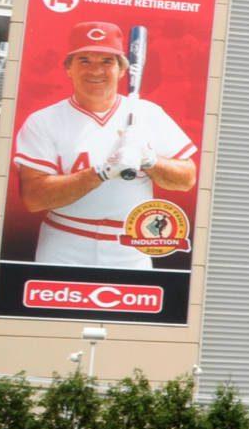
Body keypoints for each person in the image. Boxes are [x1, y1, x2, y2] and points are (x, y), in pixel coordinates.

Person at [11, 21, 198, 268]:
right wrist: (101, 172)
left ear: (122, 70)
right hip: (65, 242)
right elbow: (34, 198)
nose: (95, 70)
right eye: (84, 60)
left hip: (131, 247)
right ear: (69, 68)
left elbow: (187, 178)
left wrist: (149, 159)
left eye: (107, 61)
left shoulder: (148, 113)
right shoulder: (44, 121)